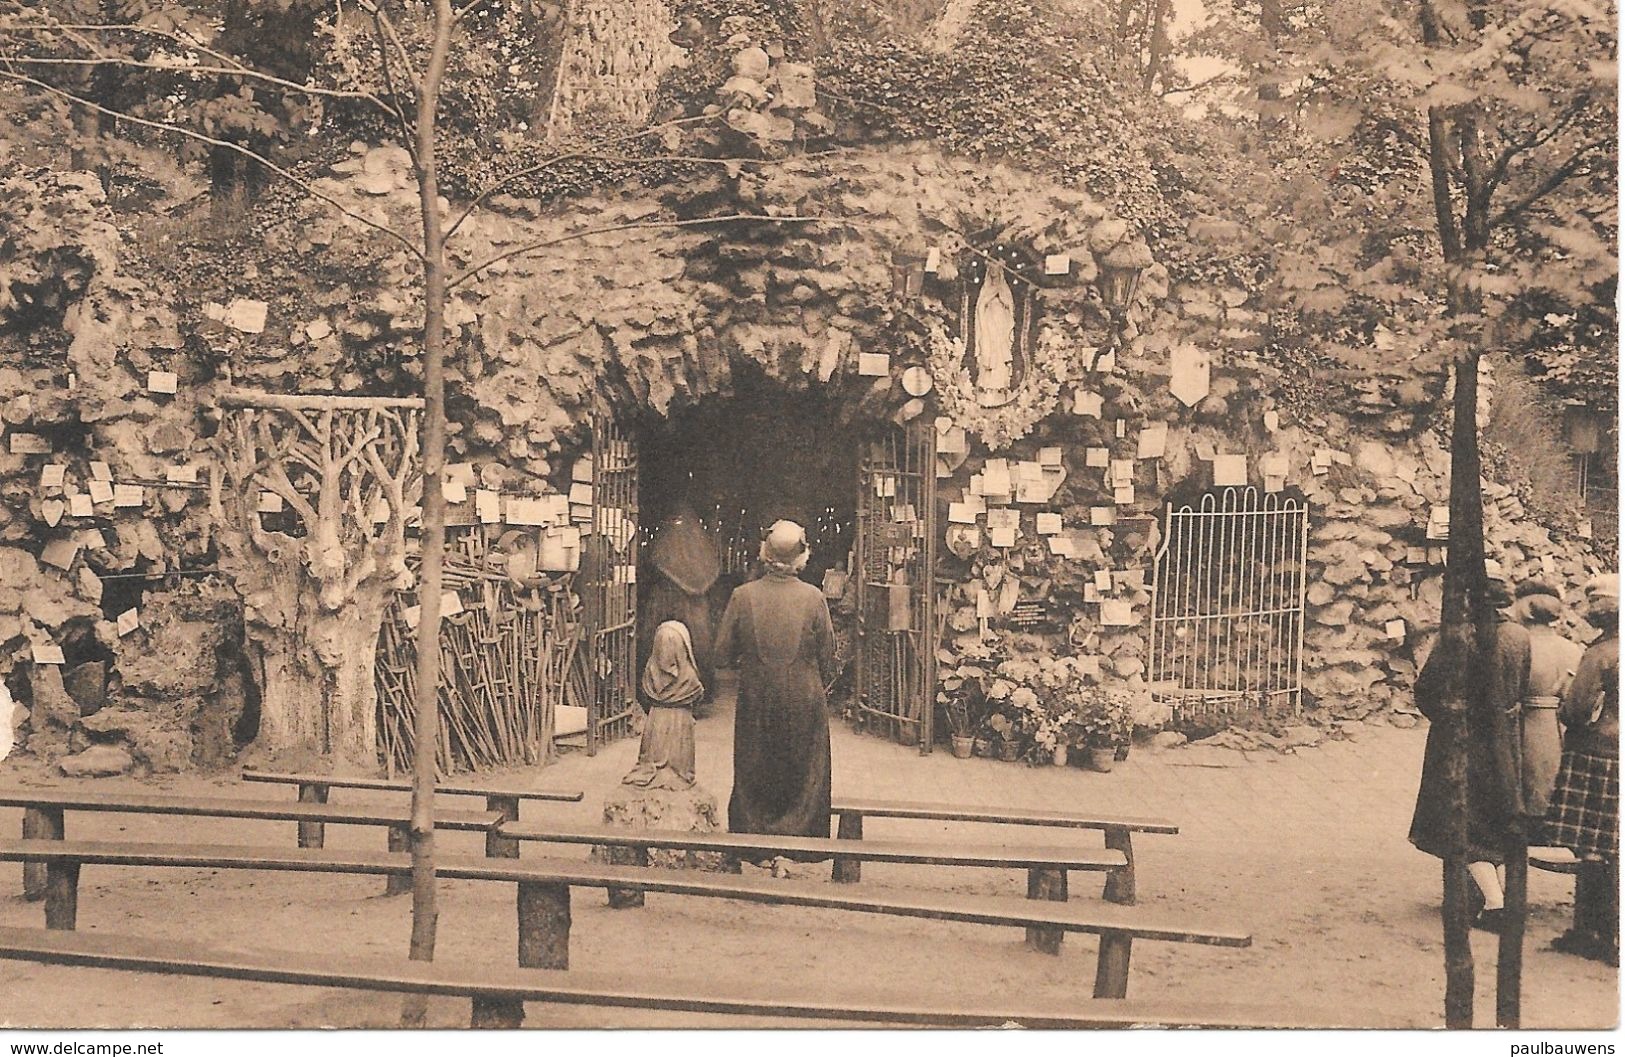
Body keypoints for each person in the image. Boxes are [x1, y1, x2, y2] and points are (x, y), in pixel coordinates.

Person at [1409, 571, 1531, 932]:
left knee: (1462, 816)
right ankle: (1479, 894)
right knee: (1491, 812)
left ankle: (1495, 904)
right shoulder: (1520, 636)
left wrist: (1447, 716)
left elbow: (1427, 689)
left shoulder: (1457, 637)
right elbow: (1520, 686)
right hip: (1505, 738)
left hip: (1461, 738)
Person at [714, 520, 836, 874]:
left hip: (757, 693)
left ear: (764, 554)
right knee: (803, 768)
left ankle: (757, 845)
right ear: (802, 557)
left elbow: (721, 653)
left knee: (756, 765)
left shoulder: (742, 596)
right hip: (803, 694)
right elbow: (829, 656)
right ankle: (794, 846)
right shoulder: (814, 597)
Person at [1545, 574, 1619, 965]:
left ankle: (1593, 932)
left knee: (1593, 846)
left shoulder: (1600, 653)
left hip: (1596, 751)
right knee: (1614, 844)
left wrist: (1560, 702)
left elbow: (1575, 711)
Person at [1514, 581, 1585, 817]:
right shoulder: (1571, 649)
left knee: (1522, 771)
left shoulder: (1518, 644)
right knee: (1549, 770)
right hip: (1555, 722)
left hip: (1523, 717)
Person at [641, 502, 721, 705]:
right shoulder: (701, 545)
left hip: (666, 595)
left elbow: (655, 559)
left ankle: (656, 689)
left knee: (657, 641)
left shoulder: (666, 538)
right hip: (696, 603)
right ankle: (700, 691)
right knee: (699, 643)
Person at [621, 621, 704, 791]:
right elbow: (697, 695)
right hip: (679, 721)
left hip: (657, 720)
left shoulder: (650, 675)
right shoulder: (689, 678)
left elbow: (645, 694)